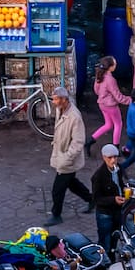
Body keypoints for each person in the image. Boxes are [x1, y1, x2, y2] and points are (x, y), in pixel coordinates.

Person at [46, 89, 93, 225]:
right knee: (72, 184)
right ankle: (91, 199)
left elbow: (78, 142)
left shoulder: (75, 117)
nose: (54, 102)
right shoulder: (60, 110)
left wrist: (67, 158)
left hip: (68, 160)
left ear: (64, 99)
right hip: (62, 154)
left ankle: (56, 214)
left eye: (56, 99)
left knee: (57, 189)